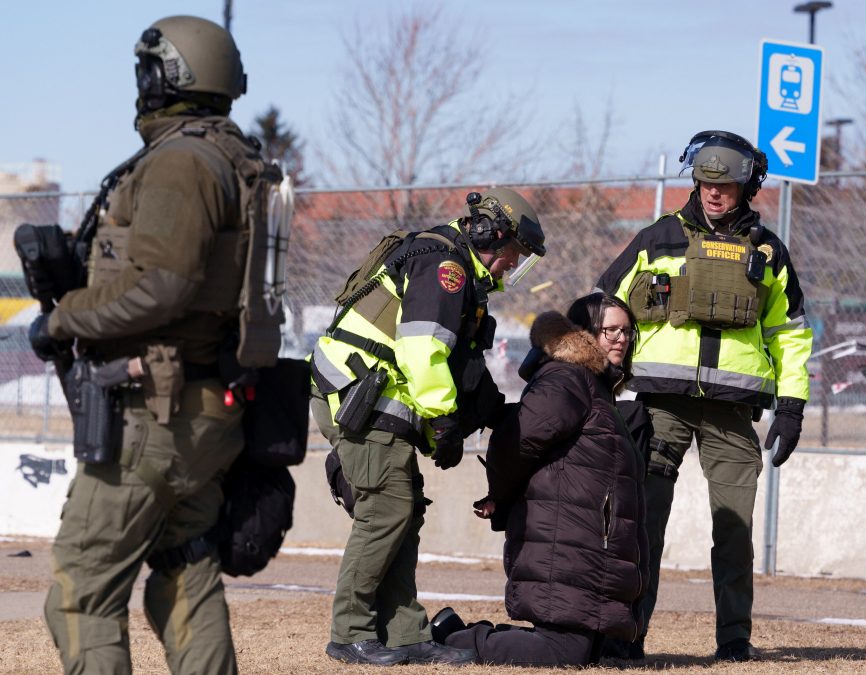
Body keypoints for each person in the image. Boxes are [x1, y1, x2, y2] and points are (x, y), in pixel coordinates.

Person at [34, 16, 276, 674]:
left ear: (172, 75)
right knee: (183, 575)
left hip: (154, 412)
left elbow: (164, 284)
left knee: (81, 597)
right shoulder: (234, 160)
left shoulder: (180, 162)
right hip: (205, 411)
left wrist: (65, 317)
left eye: (147, 70)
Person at [595, 130, 813, 662]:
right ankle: (627, 637)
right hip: (659, 406)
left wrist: (791, 406)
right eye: (705, 182)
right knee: (642, 525)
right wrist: (597, 381)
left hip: (732, 412)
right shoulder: (656, 239)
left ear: (746, 188)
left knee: (734, 532)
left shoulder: (769, 251)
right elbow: (605, 308)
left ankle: (734, 640)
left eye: (726, 185)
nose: (713, 193)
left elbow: (790, 334)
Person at [309, 188, 546, 666]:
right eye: (513, 256)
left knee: (404, 512)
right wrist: (443, 421)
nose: (510, 268)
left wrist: (490, 415)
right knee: (387, 512)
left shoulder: (455, 271)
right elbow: (422, 351)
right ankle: (350, 632)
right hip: (360, 401)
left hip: (375, 400)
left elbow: (462, 366)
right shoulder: (445, 268)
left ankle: (404, 633)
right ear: (491, 237)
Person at [430, 292, 648, 666]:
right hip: (562, 537)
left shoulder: (596, 386)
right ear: (584, 333)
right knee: (563, 651)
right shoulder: (568, 378)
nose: (621, 339)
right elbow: (517, 438)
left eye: (627, 331)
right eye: (610, 329)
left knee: (589, 651)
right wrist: (500, 494)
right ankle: (451, 639)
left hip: (583, 541)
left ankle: (454, 630)